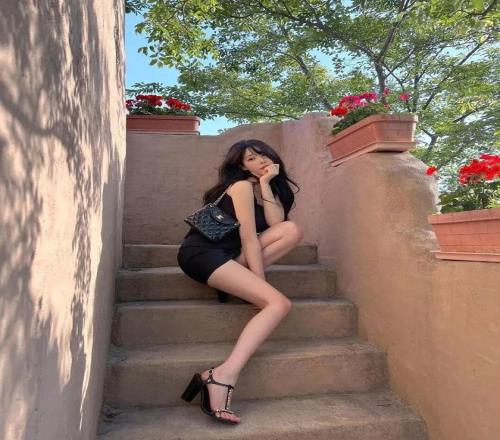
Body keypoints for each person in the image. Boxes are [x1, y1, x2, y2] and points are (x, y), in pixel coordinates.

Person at [178, 139, 304, 424]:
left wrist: (267, 183)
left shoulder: (262, 187)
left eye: (263, 155)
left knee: (292, 230)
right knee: (279, 304)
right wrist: (262, 287)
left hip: (229, 256)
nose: (260, 161)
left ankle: (239, 284)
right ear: (241, 166)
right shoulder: (241, 186)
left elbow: (277, 225)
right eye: (250, 159)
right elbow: (249, 239)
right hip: (202, 253)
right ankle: (221, 376)